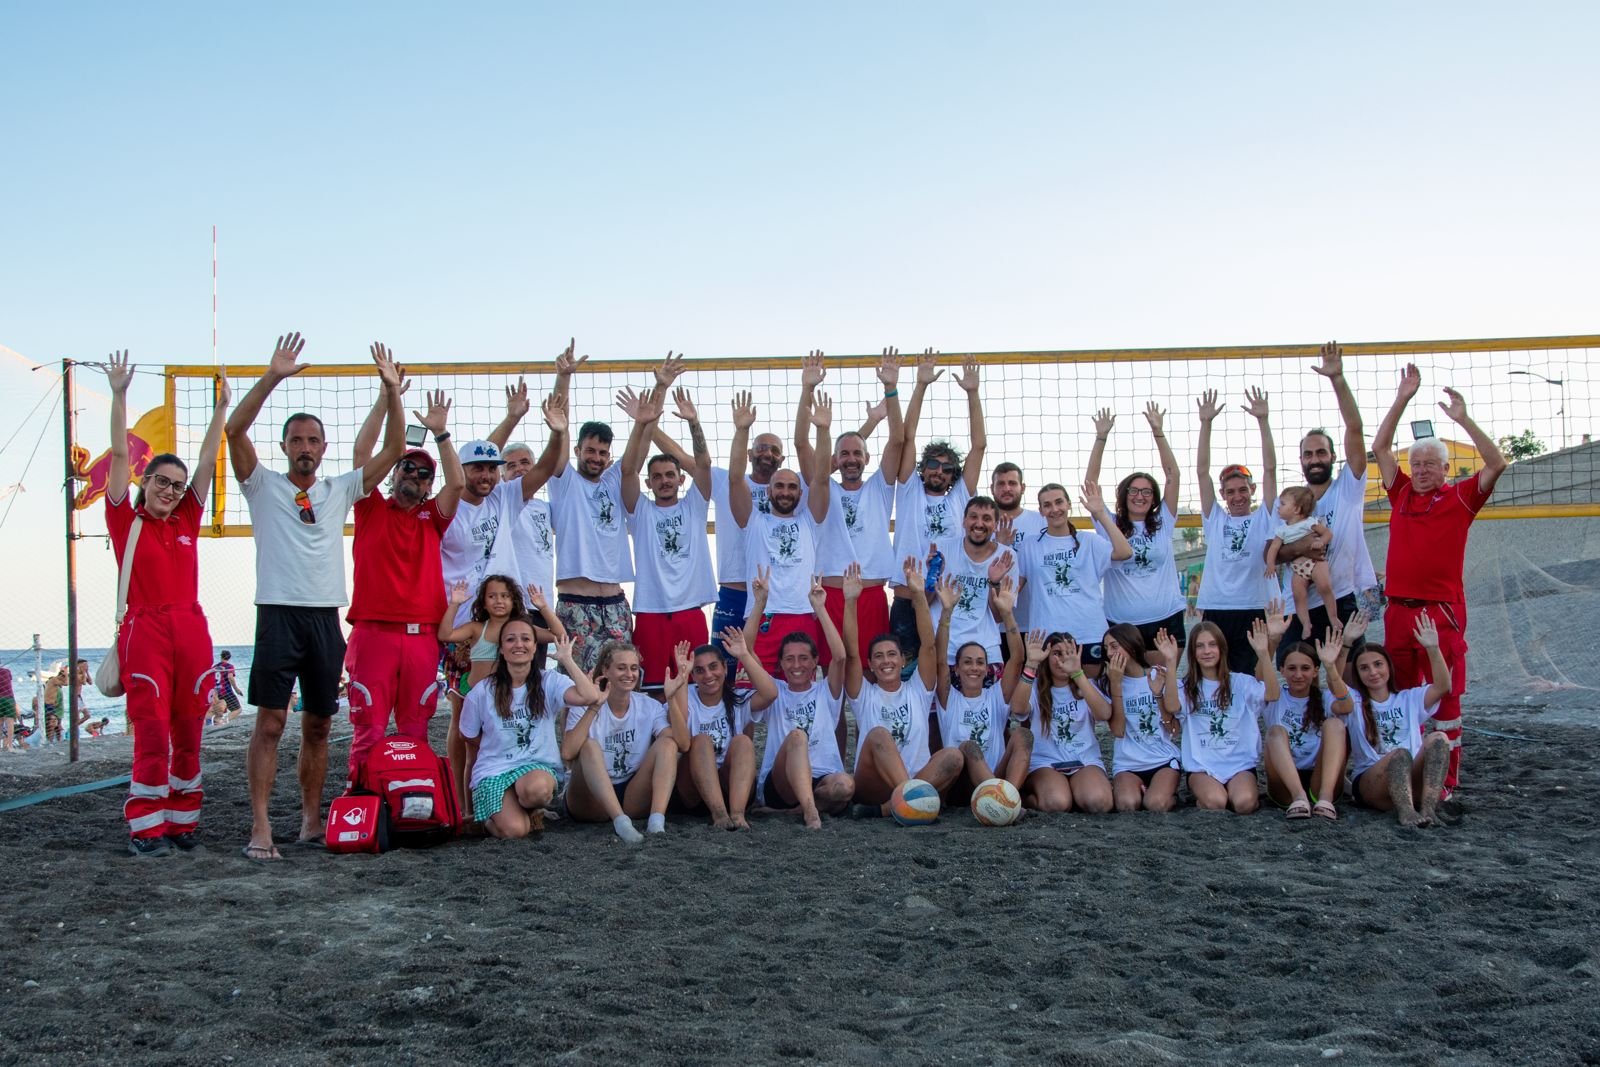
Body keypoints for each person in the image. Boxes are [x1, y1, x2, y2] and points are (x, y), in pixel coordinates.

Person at [227, 334, 407, 861]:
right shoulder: (262, 485)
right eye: (297, 439)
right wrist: (273, 376)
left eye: (313, 440)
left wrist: (392, 391)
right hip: (278, 613)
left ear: (323, 448)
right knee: (270, 722)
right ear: (285, 446)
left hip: (326, 617)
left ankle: (309, 819)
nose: (305, 447)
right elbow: (235, 430)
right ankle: (260, 827)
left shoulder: (338, 490)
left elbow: (394, 450)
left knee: (320, 724)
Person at [104, 349, 229, 856]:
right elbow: (116, 457)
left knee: (189, 729)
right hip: (146, 630)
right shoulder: (125, 522)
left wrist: (220, 410)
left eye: (177, 487)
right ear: (145, 483)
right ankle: (146, 828)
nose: (172, 491)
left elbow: (205, 462)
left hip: (191, 629)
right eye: (162, 482)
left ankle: (182, 823)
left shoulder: (186, 521)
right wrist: (118, 395)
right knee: (152, 731)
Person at [1371, 363, 1506, 797]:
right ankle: (1404, 771)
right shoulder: (1402, 492)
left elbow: (1497, 462)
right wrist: (1402, 398)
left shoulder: (1461, 498)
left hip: (1439, 613)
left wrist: (1463, 420)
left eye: (1431, 463)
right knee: (1403, 697)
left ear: (1447, 468)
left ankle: (1445, 781)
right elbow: (1379, 447)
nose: (1423, 469)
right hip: (1398, 612)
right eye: (1418, 463)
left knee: (1445, 701)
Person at [340, 387, 464, 782]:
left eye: (423, 473)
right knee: (368, 729)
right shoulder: (371, 506)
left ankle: (414, 798)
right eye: (407, 468)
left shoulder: (433, 515)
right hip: (373, 632)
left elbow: (458, 483)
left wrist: (441, 434)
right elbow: (362, 455)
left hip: (421, 637)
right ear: (393, 474)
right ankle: (363, 795)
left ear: (430, 485)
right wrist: (384, 396)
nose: (414, 474)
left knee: (415, 729)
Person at [547, 347, 678, 669]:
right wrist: (563, 378)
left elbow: (643, 438)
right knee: (578, 687)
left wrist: (661, 388)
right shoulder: (564, 480)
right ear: (578, 450)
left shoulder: (613, 480)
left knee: (622, 683)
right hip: (577, 602)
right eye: (590, 450)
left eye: (603, 452)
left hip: (616, 603)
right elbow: (559, 423)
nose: (596, 457)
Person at [795, 349, 903, 667]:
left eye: (858, 453)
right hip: (832, 595)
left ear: (867, 458)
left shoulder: (879, 488)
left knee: (873, 672)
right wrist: (807, 389)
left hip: (870, 595)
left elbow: (897, 440)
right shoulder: (823, 489)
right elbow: (802, 444)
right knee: (835, 674)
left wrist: (891, 389)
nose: (851, 458)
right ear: (835, 460)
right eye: (844, 454)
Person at [1272, 341, 1380, 653]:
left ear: (1333, 457)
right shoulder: (1290, 503)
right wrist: (1304, 546)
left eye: (1321, 452)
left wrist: (1337, 380)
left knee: (1349, 679)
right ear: (1301, 461)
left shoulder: (1348, 488)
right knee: (1298, 684)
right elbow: (1275, 553)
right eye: (1308, 454)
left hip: (1341, 597)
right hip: (1298, 604)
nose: (1315, 458)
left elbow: (1355, 429)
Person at [844, 559, 964, 814]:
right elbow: (851, 654)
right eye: (878, 656)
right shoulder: (865, 694)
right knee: (878, 735)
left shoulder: (917, 690)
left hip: (918, 776)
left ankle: (891, 808)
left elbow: (928, 647)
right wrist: (851, 601)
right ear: (871, 665)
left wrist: (919, 595)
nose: (886, 661)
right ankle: (913, 800)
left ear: (902, 660)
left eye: (891, 655)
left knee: (953, 755)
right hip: (874, 783)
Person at [729, 390, 837, 673]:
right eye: (779, 486)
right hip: (763, 615)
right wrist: (742, 431)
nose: (785, 491)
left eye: (791, 487)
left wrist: (823, 431)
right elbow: (733, 479)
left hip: (803, 614)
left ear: (801, 492)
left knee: (800, 691)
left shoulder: (809, 521)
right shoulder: (754, 521)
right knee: (753, 696)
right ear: (768, 491)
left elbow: (823, 480)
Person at [459, 625, 598, 839]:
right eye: (510, 640)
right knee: (516, 831)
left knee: (537, 791)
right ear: (501, 649)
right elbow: (467, 734)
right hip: (494, 770)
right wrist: (496, 744)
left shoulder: (549, 681)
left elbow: (589, 697)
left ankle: (525, 805)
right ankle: (489, 820)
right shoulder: (482, 691)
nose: (519, 644)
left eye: (526, 639)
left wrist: (567, 660)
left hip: (536, 767)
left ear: (535, 648)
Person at [619, 384, 716, 691]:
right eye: (657, 476)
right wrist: (642, 423)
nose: (664, 481)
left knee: (694, 692)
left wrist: (693, 421)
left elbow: (704, 463)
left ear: (680, 479)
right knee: (651, 694)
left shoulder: (694, 507)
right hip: (651, 613)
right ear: (649, 482)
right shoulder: (641, 511)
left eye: (669, 475)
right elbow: (627, 471)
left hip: (689, 612)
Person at [891, 350, 986, 660]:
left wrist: (973, 393)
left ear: (952, 476)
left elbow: (979, 446)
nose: (938, 471)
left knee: (942, 680)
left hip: (945, 601)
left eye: (947, 468)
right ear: (923, 467)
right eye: (933, 463)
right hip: (908, 599)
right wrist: (921, 385)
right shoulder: (909, 491)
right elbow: (907, 437)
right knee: (905, 677)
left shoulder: (960, 497)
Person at [745, 571, 855, 828]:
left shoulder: (826, 691)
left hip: (822, 778)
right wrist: (760, 602)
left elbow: (840, 657)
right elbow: (748, 651)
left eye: (804, 658)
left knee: (846, 786)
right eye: (790, 659)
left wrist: (820, 607)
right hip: (781, 781)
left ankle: (794, 812)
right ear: (781, 664)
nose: (797, 665)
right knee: (797, 737)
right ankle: (810, 812)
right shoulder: (775, 690)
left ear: (815, 662)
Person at [564, 639, 692, 839]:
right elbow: (568, 752)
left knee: (667, 743)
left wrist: (672, 698)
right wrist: (594, 707)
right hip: (590, 799)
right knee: (588, 746)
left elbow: (682, 744)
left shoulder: (648, 705)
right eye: (621, 668)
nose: (629, 674)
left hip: (632, 793)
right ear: (606, 671)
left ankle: (657, 821)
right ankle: (621, 823)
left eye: (634, 668)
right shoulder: (584, 704)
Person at [1086, 402, 1188, 651]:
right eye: (1134, 490)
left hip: (1165, 620)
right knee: (1124, 686)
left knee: (1164, 687)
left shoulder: (1163, 521)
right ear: (1124, 494)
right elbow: (1090, 481)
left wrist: (1158, 432)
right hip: (1122, 624)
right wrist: (1101, 437)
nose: (1139, 496)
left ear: (1154, 498)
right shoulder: (1108, 523)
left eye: (1146, 492)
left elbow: (1173, 475)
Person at [1194, 388, 1280, 674]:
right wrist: (1206, 423)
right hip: (1217, 606)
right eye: (1230, 492)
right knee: (1213, 675)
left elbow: (1270, 469)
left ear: (1252, 490)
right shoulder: (1215, 518)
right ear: (1223, 495)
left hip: (1252, 606)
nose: (1238, 496)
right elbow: (1202, 471)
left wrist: (1263, 421)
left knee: (1251, 675)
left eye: (1243, 489)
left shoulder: (1263, 518)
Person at [1013, 481, 1130, 677]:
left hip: (1088, 633)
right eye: (1047, 505)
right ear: (1041, 511)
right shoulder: (1029, 546)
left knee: (1092, 696)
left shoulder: (1088, 541)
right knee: (1053, 700)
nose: (1054, 509)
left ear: (1068, 505)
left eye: (1059, 502)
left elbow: (1124, 552)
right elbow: (1013, 592)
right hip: (1048, 637)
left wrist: (1101, 514)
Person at [933, 574, 1034, 797]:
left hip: (995, 775)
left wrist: (1007, 614)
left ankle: (1010, 799)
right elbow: (940, 659)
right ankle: (1003, 800)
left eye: (980, 662)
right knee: (969, 747)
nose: (974, 667)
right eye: (967, 662)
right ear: (956, 668)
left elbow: (1016, 659)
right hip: (960, 781)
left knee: (1023, 736)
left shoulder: (995, 695)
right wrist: (947, 612)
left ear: (988, 668)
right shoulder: (949, 698)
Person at [1347, 617, 1454, 826]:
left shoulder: (1408, 698)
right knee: (1399, 754)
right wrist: (1346, 644)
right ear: (1358, 674)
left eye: (1378, 664)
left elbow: (1442, 686)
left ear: (1388, 666)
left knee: (1439, 738)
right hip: (1373, 783)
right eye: (1365, 668)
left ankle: (1429, 808)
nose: (1373, 672)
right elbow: (1336, 685)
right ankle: (1407, 814)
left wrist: (1432, 647)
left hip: (1409, 781)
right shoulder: (1353, 700)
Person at [1177, 618, 1280, 814]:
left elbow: (1273, 694)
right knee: (1216, 802)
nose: (1207, 651)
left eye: (1212, 645)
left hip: (1239, 765)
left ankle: (1228, 792)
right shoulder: (1185, 686)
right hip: (1202, 766)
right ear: (1192, 653)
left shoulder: (1241, 682)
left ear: (1222, 648)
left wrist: (1263, 653)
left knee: (1245, 804)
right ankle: (1205, 796)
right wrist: (1169, 660)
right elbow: (1171, 706)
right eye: (1200, 646)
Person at [679, 628, 775, 830]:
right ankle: (719, 815)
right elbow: (680, 735)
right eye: (699, 670)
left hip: (732, 788)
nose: (708, 675)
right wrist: (681, 676)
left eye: (713, 667)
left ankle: (738, 815)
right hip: (694, 791)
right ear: (692, 675)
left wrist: (744, 655)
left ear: (724, 667)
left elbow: (770, 694)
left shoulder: (737, 698)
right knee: (702, 740)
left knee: (742, 741)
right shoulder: (686, 696)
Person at [1261, 618, 1354, 821]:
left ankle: (1325, 799)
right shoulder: (1274, 695)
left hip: (1320, 777)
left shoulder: (1324, 696)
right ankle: (1299, 797)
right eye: (1292, 668)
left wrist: (1330, 667)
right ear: (1282, 671)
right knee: (1275, 732)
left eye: (1305, 668)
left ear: (1314, 672)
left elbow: (1347, 706)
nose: (1298, 675)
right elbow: (1259, 677)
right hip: (1284, 782)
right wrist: (1273, 641)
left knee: (1336, 724)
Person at [1011, 630, 1114, 814]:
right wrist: (1031, 664)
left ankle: (1076, 791)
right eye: (1056, 653)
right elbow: (1018, 709)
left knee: (1099, 803)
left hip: (1084, 760)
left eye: (1069, 653)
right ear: (1046, 657)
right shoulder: (1035, 688)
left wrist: (1078, 674)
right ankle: (1028, 797)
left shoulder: (1086, 684)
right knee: (1056, 803)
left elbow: (1104, 714)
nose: (1062, 659)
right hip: (1047, 762)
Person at [1104, 625, 1183, 813]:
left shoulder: (1159, 674)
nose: (1109, 653)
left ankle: (1168, 796)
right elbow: (1118, 730)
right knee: (1127, 805)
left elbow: (1174, 730)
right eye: (1106, 648)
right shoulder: (1109, 682)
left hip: (1162, 759)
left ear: (1130, 645)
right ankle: (1143, 790)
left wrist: (1158, 695)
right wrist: (1115, 684)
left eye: (1114, 646)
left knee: (1155, 804)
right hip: (1128, 763)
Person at [935, 497, 1014, 674]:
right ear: (963, 521)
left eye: (986, 518)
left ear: (995, 525)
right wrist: (933, 574)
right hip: (945, 650)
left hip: (986, 652)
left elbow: (999, 617)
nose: (979, 524)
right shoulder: (942, 549)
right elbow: (924, 602)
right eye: (973, 517)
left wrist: (994, 582)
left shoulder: (1006, 556)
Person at [1264, 486, 1338, 639]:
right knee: (1299, 595)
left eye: (1283, 504)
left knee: (1324, 586)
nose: (1279, 507)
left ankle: (1333, 617)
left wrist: (1321, 542)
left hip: (1315, 561)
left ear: (1296, 509)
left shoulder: (1309, 522)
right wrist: (1271, 564)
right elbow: (1273, 548)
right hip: (1299, 568)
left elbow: (1327, 533)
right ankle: (1306, 623)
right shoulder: (1282, 530)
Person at [990, 462, 1047, 550]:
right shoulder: (982, 526)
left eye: (1012, 483)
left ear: (1023, 488)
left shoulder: (1042, 522)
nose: (1006, 489)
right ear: (992, 489)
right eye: (1001, 484)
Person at [209, 651, 242, 719]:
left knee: (218, 711)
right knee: (237, 709)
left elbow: (210, 680)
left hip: (216, 692)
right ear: (229, 657)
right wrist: (236, 689)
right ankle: (225, 721)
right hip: (226, 691)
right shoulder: (229, 666)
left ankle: (216, 723)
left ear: (221, 656)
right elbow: (230, 677)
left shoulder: (214, 667)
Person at [0, 665, 17, 752]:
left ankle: (2, 745)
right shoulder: (7, 671)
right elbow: (9, 685)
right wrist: (14, 701)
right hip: (8, 698)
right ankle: (10, 746)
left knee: (0, 723)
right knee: (10, 723)